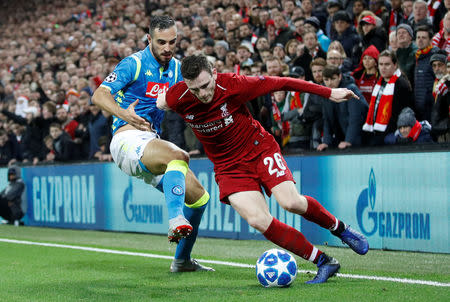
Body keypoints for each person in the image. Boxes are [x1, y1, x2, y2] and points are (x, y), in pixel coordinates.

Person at [158, 54, 369, 284]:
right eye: (195, 90)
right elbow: (158, 103)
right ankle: (324, 261)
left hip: (258, 149)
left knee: (291, 202)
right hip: (228, 167)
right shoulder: (177, 96)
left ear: (215, 73)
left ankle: (340, 229)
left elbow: (283, 82)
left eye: (205, 86)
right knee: (259, 221)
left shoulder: (234, 84)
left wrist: (329, 93)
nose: (202, 94)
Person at [91, 16, 213, 273]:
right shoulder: (134, 64)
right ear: (149, 39)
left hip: (150, 143)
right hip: (126, 140)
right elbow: (99, 95)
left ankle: (181, 261)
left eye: (172, 42)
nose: (167, 47)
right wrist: (125, 114)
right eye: (161, 42)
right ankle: (175, 219)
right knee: (178, 155)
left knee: (200, 198)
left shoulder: (178, 68)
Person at [362, 50, 414, 145]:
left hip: (389, 134)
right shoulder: (380, 81)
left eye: (387, 64)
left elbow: (400, 113)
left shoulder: (401, 84)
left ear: (395, 65)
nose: (383, 68)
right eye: (381, 64)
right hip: (376, 131)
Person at [317, 65, 368, 151]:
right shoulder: (325, 93)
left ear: (340, 76)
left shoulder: (351, 90)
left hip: (361, 139)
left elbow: (355, 117)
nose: (329, 83)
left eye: (333, 79)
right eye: (326, 80)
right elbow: (327, 119)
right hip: (342, 138)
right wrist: (326, 142)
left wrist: (349, 140)